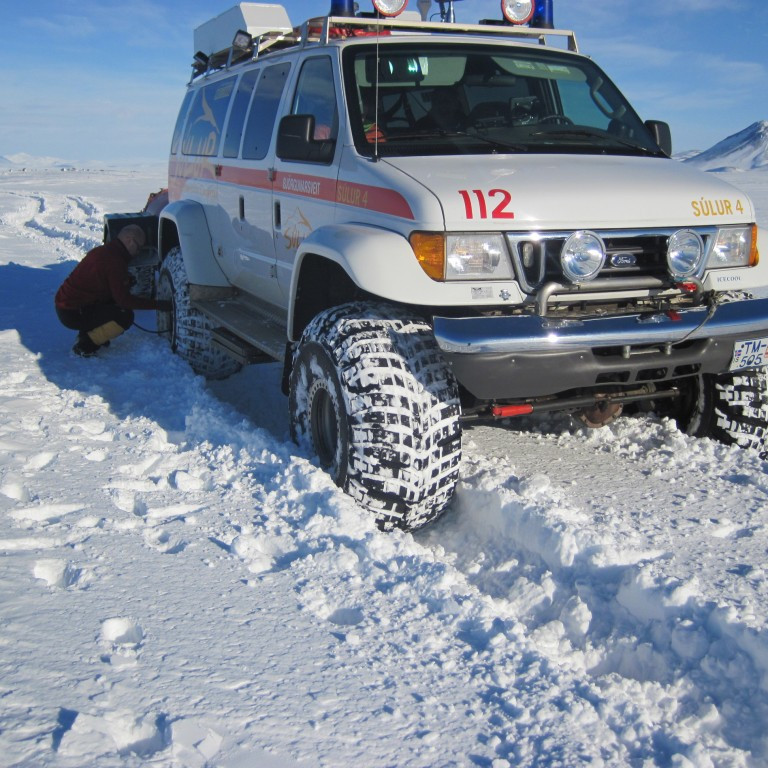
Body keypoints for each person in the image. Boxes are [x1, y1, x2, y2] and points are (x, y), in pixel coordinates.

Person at [55, 224, 171, 357]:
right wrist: (159, 305)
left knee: (112, 305)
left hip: (68, 306)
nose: (138, 252)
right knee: (124, 316)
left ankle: (90, 334)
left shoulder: (105, 251)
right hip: (72, 312)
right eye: (139, 247)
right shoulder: (114, 261)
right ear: (129, 240)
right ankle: (86, 344)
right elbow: (124, 301)